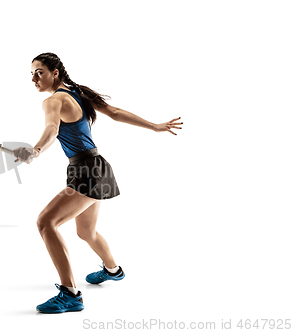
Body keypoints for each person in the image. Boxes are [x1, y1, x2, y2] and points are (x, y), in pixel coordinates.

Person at [13, 53, 182, 314]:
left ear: (55, 73)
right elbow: (113, 112)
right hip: (97, 167)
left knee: (46, 222)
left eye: (39, 72)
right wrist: (154, 126)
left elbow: (51, 130)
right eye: (32, 73)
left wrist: (35, 151)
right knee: (86, 232)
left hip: (87, 172)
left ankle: (70, 294)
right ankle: (113, 270)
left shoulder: (54, 100)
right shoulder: (78, 92)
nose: (34, 78)